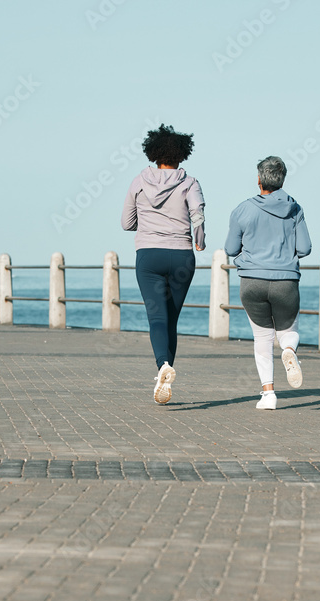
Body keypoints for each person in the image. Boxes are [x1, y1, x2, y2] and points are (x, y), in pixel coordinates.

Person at [121, 124, 206, 404]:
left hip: (149, 255)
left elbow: (126, 223)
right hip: (181, 254)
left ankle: (163, 367)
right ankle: (165, 368)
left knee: (157, 317)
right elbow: (197, 213)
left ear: (154, 153)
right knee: (172, 319)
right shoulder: (190, 182)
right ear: (181, 155)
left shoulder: (138, 181)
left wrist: (146, 224)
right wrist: (200, 239)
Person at [225, 156, 311, 410]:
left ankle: (268, 395)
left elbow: (230, 248)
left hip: (252, 281)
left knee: (262, 337)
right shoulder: (295, 209)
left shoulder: (242, 209)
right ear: (282, 179)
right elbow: (304, 248)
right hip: (286, 280)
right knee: (288, 331)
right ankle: (289, 351)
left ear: (259, 180)